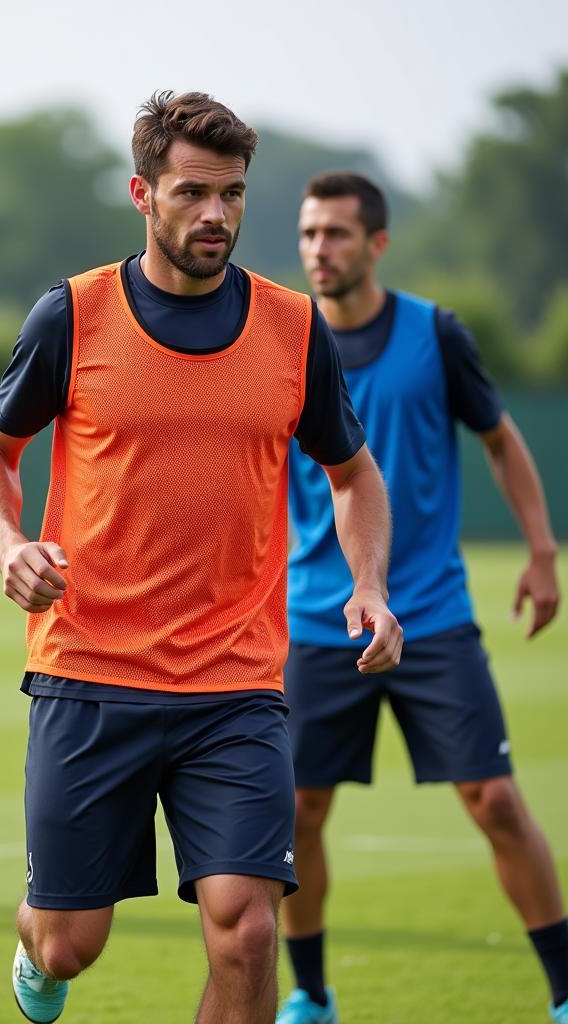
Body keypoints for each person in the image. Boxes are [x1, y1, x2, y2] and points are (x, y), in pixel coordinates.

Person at [0, 92, 404, 1024]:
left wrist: (369, 585)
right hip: (88, 672)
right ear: (142, 194)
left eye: (233, 195)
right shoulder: (72, 315)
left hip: (235, 684)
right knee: (68, 943)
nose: (217, 216)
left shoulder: (292, 327)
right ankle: (38, 938)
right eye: (194, 194)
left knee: (246, 933)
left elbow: (355, 474)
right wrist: (6, 543)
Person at [279, 171, 565, 1024]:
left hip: (432, 614)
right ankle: (311, 994)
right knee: (297, 811)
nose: (318, 249)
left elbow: (500, 440)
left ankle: (562, 994)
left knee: (498, 803)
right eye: (307, 234)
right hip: (314, 620)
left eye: (335, 233)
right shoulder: (282, 340)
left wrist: (543, 552)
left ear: (377, 243)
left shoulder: (435, 334)